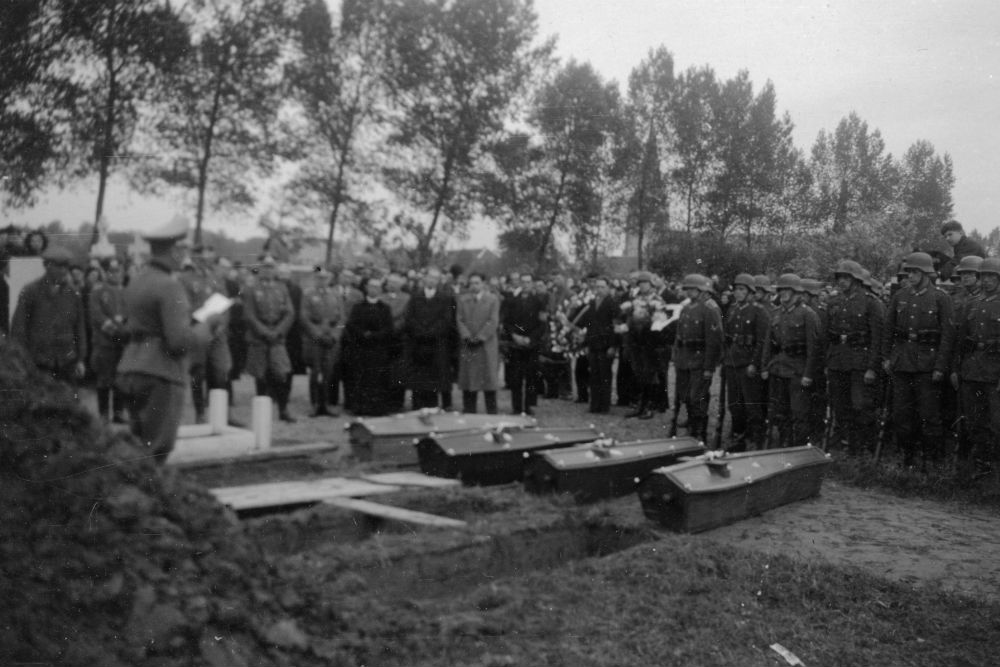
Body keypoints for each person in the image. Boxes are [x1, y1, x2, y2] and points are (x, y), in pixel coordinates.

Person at [116, 216, 215, 462]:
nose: (186, 256)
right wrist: (207, 326)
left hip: (132, 365)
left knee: (138, 447)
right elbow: (178, 342)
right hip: (161, 372)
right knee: (156, 452)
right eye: (183, 249)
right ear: (173, 251)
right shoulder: (170, 286)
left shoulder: (137, 280)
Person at [882, 252, 954, 467]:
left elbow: (947, 336)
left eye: (915, 272)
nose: (910, 276)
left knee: (929, 415)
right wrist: (887, 357)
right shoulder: (900, 296)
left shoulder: (941, 298)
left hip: (928, 364)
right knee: (902, 414)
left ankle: (932, 460)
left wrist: (940, 366)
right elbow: (888, 330)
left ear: (926, 273)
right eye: (909, 272)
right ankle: (907, 458)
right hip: (902, 362)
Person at [951, 256, 1000, 494]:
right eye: (985, 276)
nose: (988, 281)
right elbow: (960, 341)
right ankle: (979, 468)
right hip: (971, 371)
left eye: (992, 277)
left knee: (995, 423)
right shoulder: (973, 304)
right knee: (973, 421)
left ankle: (993, 473)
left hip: (994, 374)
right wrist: (955, 369)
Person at [826, 260, 884, 453]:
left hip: (860, 360)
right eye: (840, 278)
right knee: (840, 405)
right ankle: (845, 442)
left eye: (846, 277)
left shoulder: (870, 302)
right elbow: (829, 334)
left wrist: (872, 367)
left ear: (856, 279)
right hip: (838, 359)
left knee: (860, 405)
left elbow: (877, 338)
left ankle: (862, 447)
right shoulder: (834, 301)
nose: (842, 281)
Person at [10, 245, 87, 385]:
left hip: (67, 360)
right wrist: (21, 360)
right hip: (38, 361)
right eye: (59, 266)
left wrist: (81, 359)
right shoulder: (30, 291)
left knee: (68, 403)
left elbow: (79, 327)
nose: (63, 271)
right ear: (47, 266)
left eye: (66, 266)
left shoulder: (73, 293)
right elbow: (19, 327)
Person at [761, 274, 819, 448]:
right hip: (778, 368)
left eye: (788, 290)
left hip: (798, 370)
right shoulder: (776, 313)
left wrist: (808, 374)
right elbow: (767, 343)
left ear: (797, 293)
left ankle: (799, 447)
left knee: (799, 412)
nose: (784, 293)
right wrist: (765, 366)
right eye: (782, 290)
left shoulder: (807, 314)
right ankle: (785, 443)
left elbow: (813, 348)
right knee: (780, 411)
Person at [244, 255, 296, 422]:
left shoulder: (282, 288)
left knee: (281, 373)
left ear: (275, 269)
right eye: (265, 267)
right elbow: (249, 314)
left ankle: (283, 409)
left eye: (271, 267)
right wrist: (264, 331)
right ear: (260, 268)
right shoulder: (252, 288)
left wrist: (279, 331)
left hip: (277, 336)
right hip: (259, 336)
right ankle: (262, 413)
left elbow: (290, 312)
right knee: (261, 375)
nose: (268, 270)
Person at [673, 274, 723, 441]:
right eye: (688, 289)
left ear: (703, 290)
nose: (690, 292)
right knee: (686, 397)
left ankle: (700, 433)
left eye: (694, 289)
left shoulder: (710, 309)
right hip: (684, 359)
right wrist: (676, 356)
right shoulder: (687, 309)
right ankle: (692, 427)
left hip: (699, 361)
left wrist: (709, 367)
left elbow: (714, 341)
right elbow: (679, 335)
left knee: (697, 398)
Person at [721, 273, 769, 450]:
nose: (738, 293)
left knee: (752, 404)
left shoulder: (759, 311)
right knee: (734, 403)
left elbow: (762, 341)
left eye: (742, 289)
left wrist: (754, 364)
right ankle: (738, 435)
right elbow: (726, 337)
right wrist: (725, 359)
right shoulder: (732, 309)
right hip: (732, 361)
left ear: (750, 292)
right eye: (736, 289)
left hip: (748, 363)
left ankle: (756, 437)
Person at [403, 267, 457, 410]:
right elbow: (409, 318)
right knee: (418, 378)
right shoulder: (415, 297)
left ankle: (435, 407)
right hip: (418, 343)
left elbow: (446, 320)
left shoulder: (446, 298)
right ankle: (417, 406)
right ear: (424, 279)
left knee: (436, 377)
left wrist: (431, 332)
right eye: (429, 277)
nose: (432, 280)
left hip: (437, 343)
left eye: (435, 278)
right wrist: (420, 331)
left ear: (439, 281)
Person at [343, 276, 394, 416]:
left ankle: (377, 408)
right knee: (361, 378)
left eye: (377, 287)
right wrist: (363, 334)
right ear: (366, 288)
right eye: (371, 287)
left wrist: (375, 336)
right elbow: (351, 325)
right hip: (361, 348)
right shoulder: (358, 307)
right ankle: (360, 407)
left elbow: (389, 328)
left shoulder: (385, 308)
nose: (374, 290)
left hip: (378, 349)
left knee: (377, 379)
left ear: (380, 290)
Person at [89, 258, 128, 423]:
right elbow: (97, 315)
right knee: (104, 379)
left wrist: (126, 332)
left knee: (120, 378)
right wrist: (115, 331)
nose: (116, 274)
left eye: (118, 271)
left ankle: (118, 412)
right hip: (105, 341)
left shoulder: (126, 291)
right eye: (112, 271)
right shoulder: (98, 291)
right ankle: (103, 414)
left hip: (122, 343)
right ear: (105, 272)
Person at [500, 272, 545, 415]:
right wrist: (515, 335)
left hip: (532, 344)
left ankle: (529, 405)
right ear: (518, 283)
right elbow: (507, 322)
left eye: (528, 282)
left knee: (531, 377)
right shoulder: (511, 301)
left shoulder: (539, 301)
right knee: (515, 377)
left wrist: (530, 338)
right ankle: (517, 406)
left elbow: (542, 324)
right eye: (523, 282)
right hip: (516, 344)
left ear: (531, 284)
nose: (525, 285)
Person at [574, 276, 620, 415]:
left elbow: (616, 326)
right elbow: (588, 324)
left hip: (606, 345)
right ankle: (594, 405)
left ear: (608, 288)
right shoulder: (592, 303)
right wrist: (586, 343)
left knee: (604, 375)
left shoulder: (612, 304)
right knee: (594, 375)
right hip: (593, 344)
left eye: (602, 287)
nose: (599, 290)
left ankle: (604, 405)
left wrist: (613, 346)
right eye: (597, 287)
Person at [300, 267, 342, 417]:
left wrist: (335, 335)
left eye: (325, 278)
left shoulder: (335, 295)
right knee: (315, 372)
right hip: (315, 339)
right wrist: (317, 333)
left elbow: (342, 319)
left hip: (331, 339)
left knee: (329, 372)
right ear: (315, 279)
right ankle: (315, 404)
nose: (322, 281)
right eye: (319, 278)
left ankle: (327, 404)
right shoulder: (308, 295)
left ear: (329, 279)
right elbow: (304, 317)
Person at [456, 272, 500, 414]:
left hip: (486, 345)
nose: (474, 286)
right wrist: (467, 336)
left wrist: (481, 337)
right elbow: (459, 319)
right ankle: (469, 413)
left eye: (477, 283)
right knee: (469, 381)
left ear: (483, 284)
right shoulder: (463, 300)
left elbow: (493, 321)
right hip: (468, 345)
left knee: (489, 381)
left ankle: (492, 414)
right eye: (472, 283)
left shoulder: (493, 299)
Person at [380, 271, 411, 412]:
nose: (391, 285)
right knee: (384, 371)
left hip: (400, 339)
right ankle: (384, 401)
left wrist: (394, 329)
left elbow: (406, 318)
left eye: (395, 282)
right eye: (389, 282)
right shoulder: (381, 298)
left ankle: (397, 402)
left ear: (400, 284)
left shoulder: (407, 299)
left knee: (399, 372)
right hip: (383, 339)